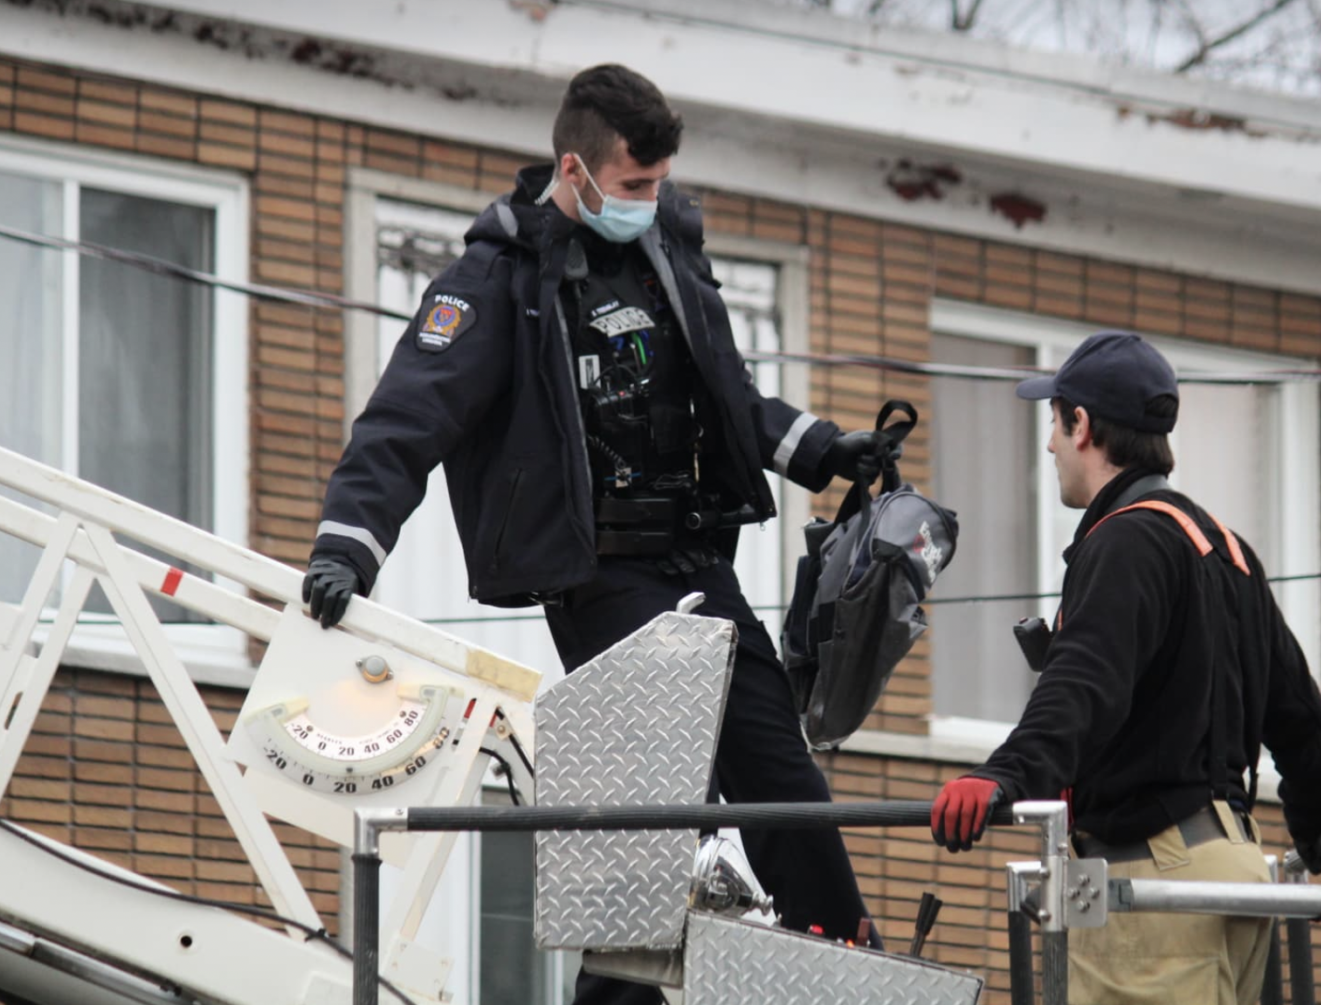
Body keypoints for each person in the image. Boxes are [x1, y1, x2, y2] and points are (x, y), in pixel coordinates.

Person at [302, 64, 893, 1004]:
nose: (651, 203)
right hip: (600, 576)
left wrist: (822, 447)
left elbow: (728, 395)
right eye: (633, 187)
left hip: (696, 559)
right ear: (573, 172)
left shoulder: (669, 255)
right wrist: (347, 546)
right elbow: (406, 418)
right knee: (669, 820)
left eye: (659, 185)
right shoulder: (495, 278)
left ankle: (847, 967)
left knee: (777, 784)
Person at [928, 331, 1321, 1005]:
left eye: (1055, 424)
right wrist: (1319, 832)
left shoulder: (1125, 540)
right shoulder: (1224, 548)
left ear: (1083, 425)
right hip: (1236, 873)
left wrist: (1001, 773)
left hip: (1155, 886)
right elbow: (1303, 720)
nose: (1049, 445)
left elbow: (1084, 685)